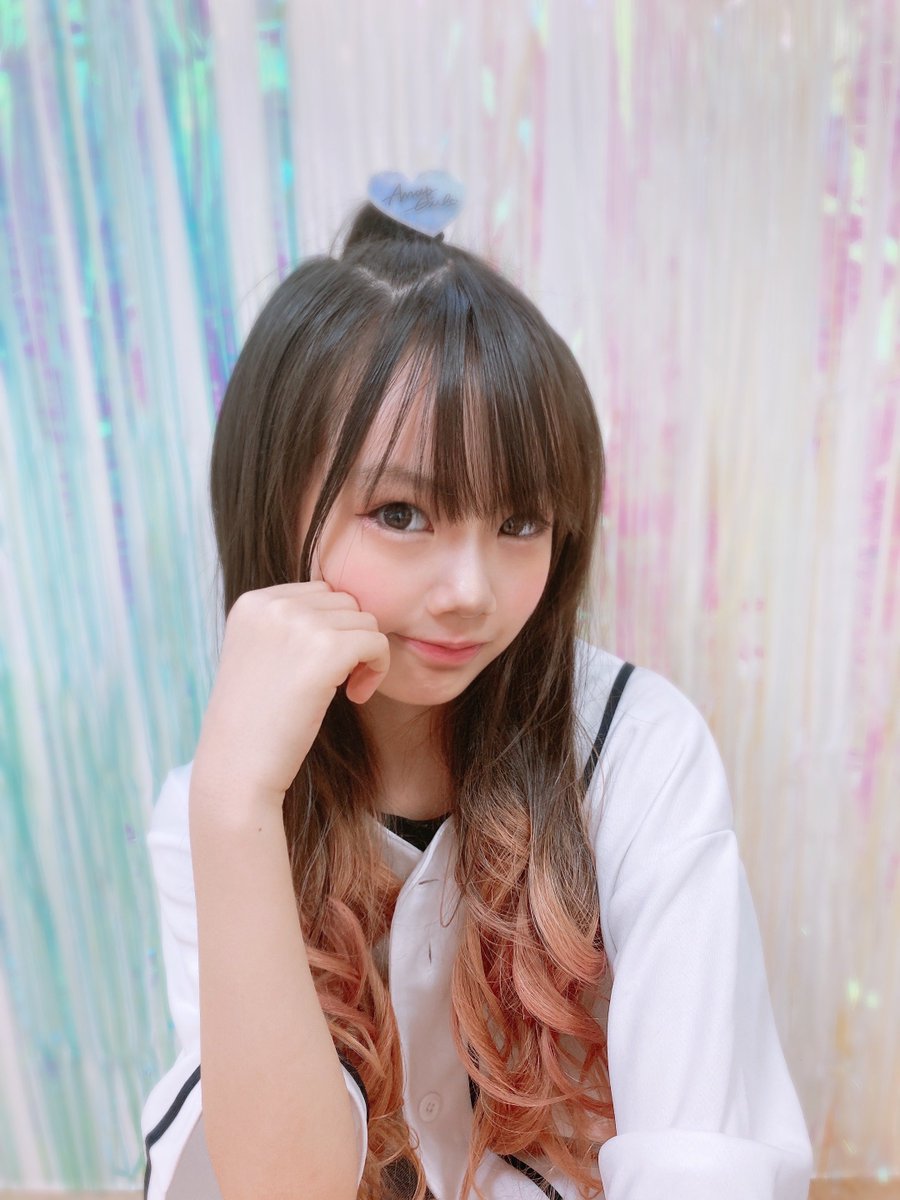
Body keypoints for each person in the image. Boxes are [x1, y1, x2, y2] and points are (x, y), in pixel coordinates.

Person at [139, 175, 815, 1200]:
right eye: (402, 514)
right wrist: (235, 810)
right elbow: (285, 1186)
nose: (471, 592)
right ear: (274, 505)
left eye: (519, 522)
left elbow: (698, 1155)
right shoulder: (216, 806)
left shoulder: (636, 753)